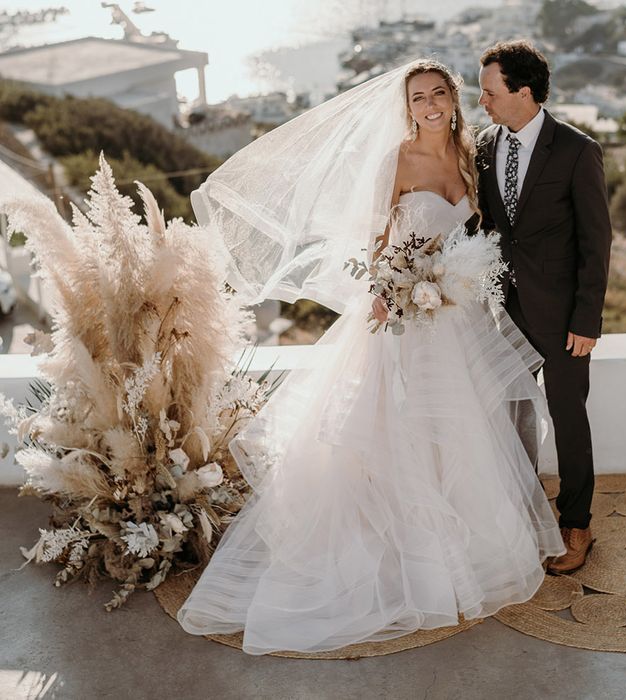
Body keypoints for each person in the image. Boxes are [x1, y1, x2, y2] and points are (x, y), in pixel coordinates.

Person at [177, 60, 564, 655]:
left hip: (457, 320)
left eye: (439, 94)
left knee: (461, 433)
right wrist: (392, 287)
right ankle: (405, 557)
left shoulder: (472, 156)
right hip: (403, 320)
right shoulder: (397, 161)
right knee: (397, 433)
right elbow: (376, 240)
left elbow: (480, 238)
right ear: (406, 106)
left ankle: (460, 547)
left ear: (454, 101)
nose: (430, 104)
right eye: (419, 97)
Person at [476, 41, 612, 574]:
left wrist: (587, 319)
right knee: (509, 417)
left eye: (490, 92)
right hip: (502, 312)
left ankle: (576, 522)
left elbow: (596, 241)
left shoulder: (578, 150)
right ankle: (521, 516)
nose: (482, 101)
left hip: (561, 318)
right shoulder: (485, 146)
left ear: (523, 91)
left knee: (568, 418)